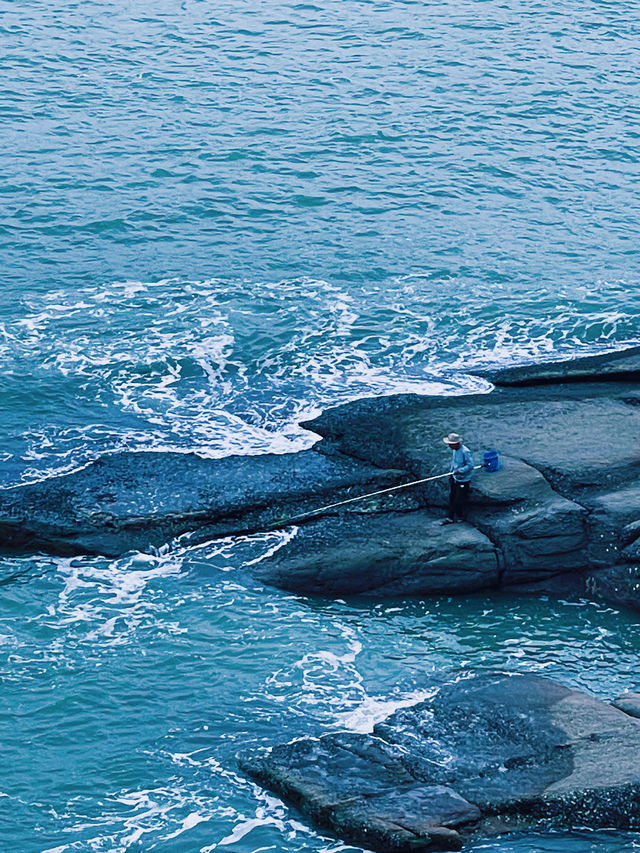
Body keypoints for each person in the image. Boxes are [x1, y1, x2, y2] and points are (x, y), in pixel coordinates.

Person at [441, 432, 474, 524]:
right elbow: (454, 462)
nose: (449, 446)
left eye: (451, 444)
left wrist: (461, 471)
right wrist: (451, 473)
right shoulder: (455, 450)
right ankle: (450, 517)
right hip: (455, 477)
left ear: (457, 443)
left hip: (463, 479)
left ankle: (460, 516)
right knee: (452, 497)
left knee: (459, 499)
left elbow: (470, 465)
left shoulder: (465, 451)